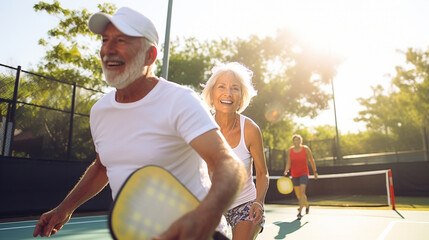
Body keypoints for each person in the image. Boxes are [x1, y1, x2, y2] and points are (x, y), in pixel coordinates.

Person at [33, 7, 246, 240]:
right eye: (105, 40)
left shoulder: (179, 100)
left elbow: (230, 165)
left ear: (150, 56)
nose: (108, 49)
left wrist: (204, 216)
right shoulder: (100, 111)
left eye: (122, 40)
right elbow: (103, 167)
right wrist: (65, 208)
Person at [202, 62, 269, 240]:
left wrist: (259, 202)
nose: (228, 94)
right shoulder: (200, 128)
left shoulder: (250, 130)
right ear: (211, 93)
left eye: (235, 88)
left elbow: (262, 173)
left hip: (246, 204)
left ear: (241, 96)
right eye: (221, 87)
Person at [283, 134, 318, 220]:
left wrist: (315, 171)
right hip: (294, 174)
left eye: (298, 140)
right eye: (295, 140)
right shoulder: (290, 150)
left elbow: (311, 160)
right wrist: (286, 170)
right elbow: (288, 162)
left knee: (302, 192)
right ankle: (306, 205)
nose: (296, 141)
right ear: (293, 141)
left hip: (304, 173)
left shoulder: (305, 149)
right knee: (298, 194)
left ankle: (300, 212)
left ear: (300, 141)